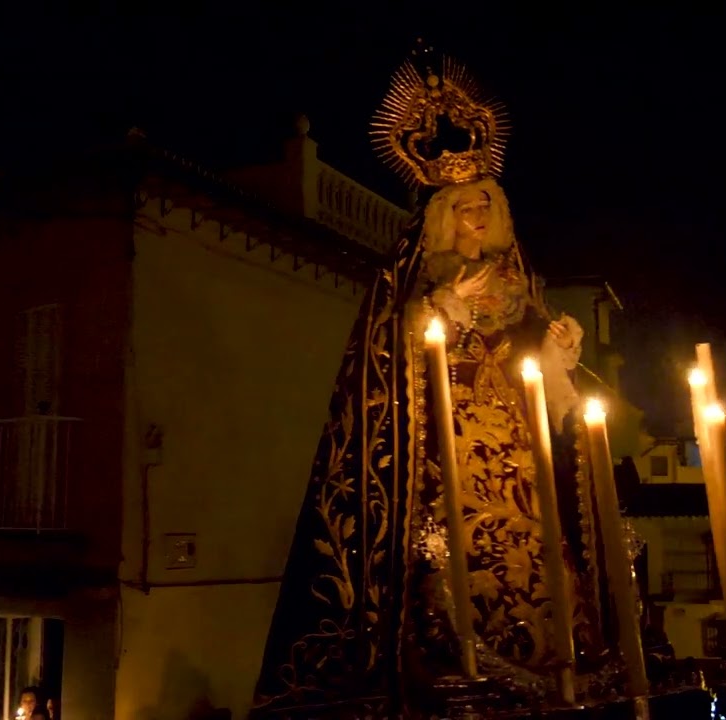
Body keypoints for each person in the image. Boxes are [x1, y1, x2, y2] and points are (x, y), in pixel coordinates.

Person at [251, 46, 609, 718]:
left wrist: (560, 349)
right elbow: (388, 348)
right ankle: (450, 653)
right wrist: (441, 311)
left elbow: (528, 356)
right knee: (449, 557)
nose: (477, 214)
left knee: (541, 548)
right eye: (465, 205)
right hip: (442, 440)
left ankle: (556, 653)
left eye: (485, 202)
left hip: (511, 439)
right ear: (443, 211)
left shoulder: (515, 276)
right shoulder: (411, 270)